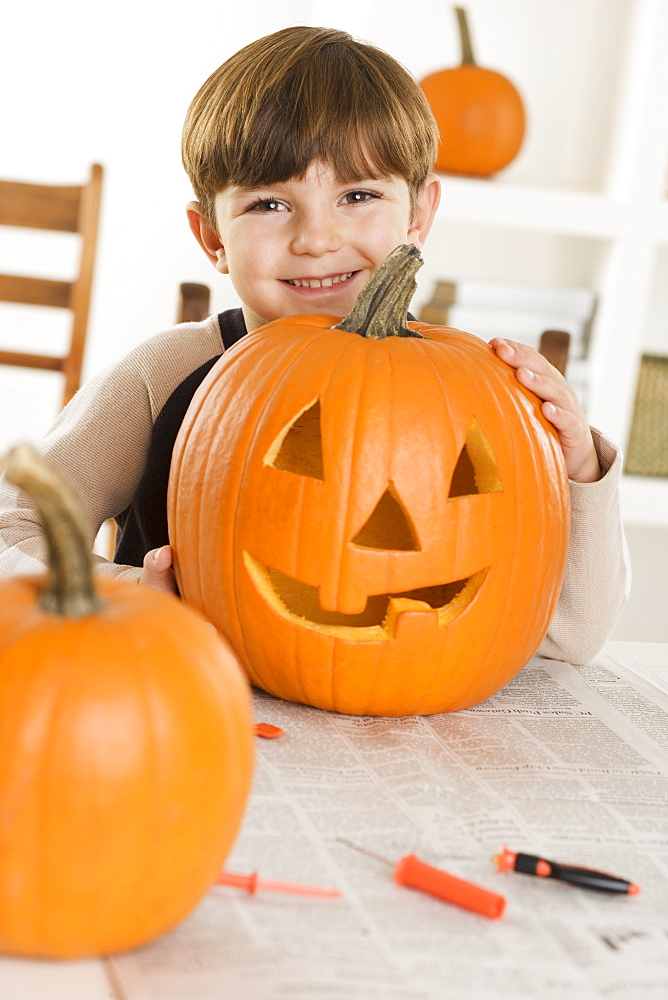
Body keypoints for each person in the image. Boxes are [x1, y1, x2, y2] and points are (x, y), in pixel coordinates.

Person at [0, 25, 629, 664]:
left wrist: (581, 472)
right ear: (211, 236)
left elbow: (569, 639)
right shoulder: (162, 376)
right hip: (185, 705)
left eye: (358, 196)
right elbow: (9, 530)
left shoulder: (485, 395)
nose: (316, 239)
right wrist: (130, 592)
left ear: (419, 215)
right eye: (271, 205)